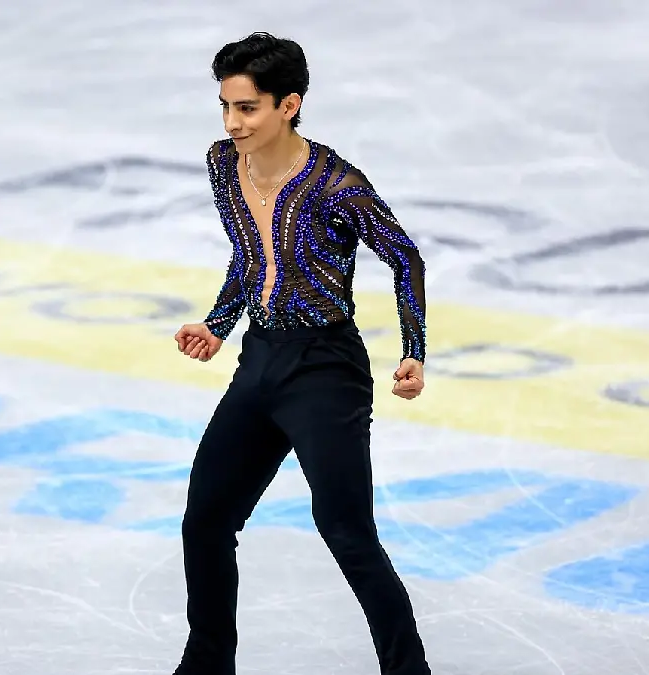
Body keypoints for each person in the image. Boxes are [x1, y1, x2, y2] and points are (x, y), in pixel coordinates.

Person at [171, 32, 433, 675]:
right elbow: (250, 257)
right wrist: (220, 323)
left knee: (347, 534)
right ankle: (207, 666)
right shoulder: (220, 163)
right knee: (206, 520)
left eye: (249, 108)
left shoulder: (335, 184)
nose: (234, 124)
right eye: (227, 107)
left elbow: (404, 256)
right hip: (260, 360)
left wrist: (414, 351)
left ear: (289, 104)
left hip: (325, 371)